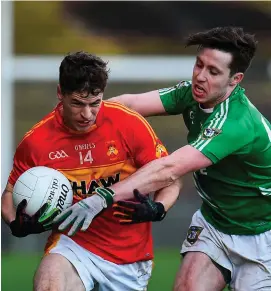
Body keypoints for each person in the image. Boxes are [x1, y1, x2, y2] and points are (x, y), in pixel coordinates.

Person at [54, 27, 271, 291]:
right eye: (199, 64)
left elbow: (169, 168)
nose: (200, 77)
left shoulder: (236, 123)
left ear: (235, 79)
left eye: (213, 72)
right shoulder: (193, 93)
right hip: (215, 223)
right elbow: (128, 106)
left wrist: (102, 197)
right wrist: (71, 117)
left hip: (262, 235)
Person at [1, 51, 182, 291]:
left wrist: (158, 208)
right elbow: (9, 194)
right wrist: (15, 223)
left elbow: (170, 178)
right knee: (49, 283)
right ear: (60, 94)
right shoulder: (36, 141)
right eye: (77, 103)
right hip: (73, 245)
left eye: (94, 103)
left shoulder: (129, 123)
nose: (87, 114)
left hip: (128, 257)